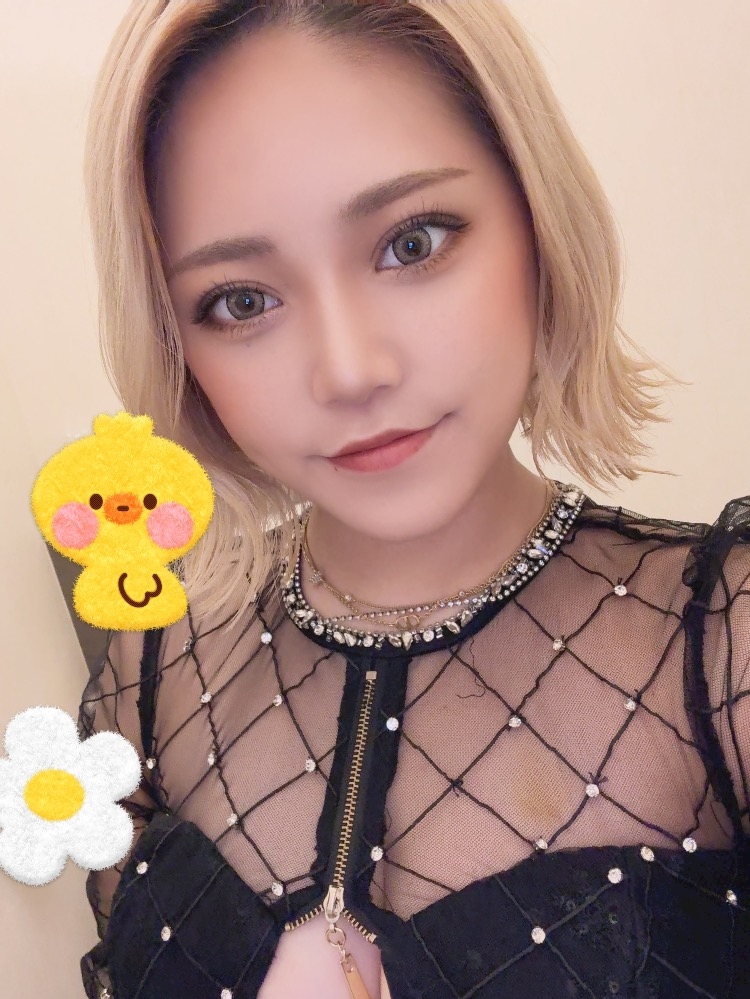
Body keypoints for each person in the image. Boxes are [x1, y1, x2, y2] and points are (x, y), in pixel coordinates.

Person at [76, 2, 750, 997]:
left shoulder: (722, 640)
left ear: (536, 216)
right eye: (243, 301)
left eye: (413, 242)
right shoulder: (157, 658)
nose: (350, 371)